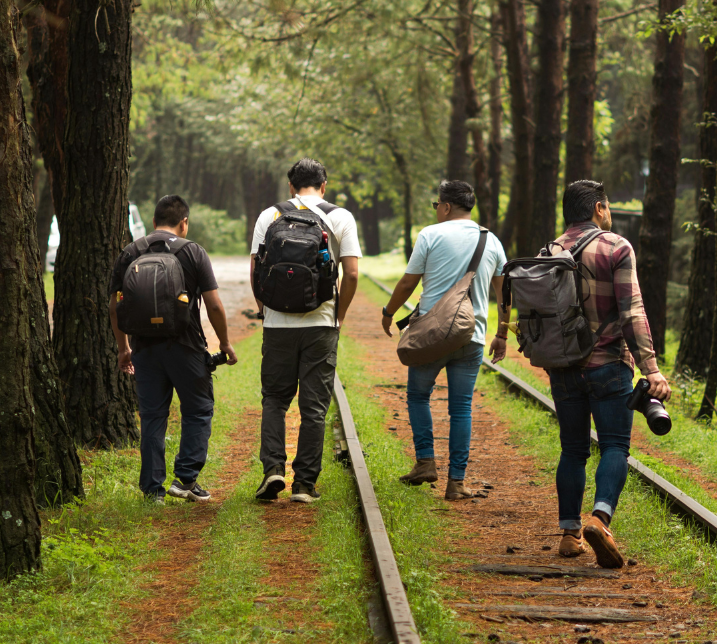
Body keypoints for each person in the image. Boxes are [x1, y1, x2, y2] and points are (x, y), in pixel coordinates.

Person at [547, 180, 671, 568]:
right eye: (609, 206)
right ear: (599, 208)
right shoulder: (616, 246)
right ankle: (599, 519)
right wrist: (651, 369)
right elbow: (631, 311)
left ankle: (569, 535)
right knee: (615, 446)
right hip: (608, 365)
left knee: (572, 448)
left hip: (564, 366)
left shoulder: (549, 251)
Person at [381, 180, 509, 500]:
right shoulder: (490, 240)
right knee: (461, 408)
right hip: (472, 335)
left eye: (436, 204)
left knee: (418, 396)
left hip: (431, 336)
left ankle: (426, 462)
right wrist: (502, 333)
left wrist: (389, 312)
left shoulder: (430, 234)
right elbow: (504, 293)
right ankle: (457, 482)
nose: (436, 209)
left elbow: (409, 281)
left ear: (447, 206)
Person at [109, 194, 238, 504]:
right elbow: (214, 305)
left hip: (144, 348)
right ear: (184, 223)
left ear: (153, 223)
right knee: (198, 409)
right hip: (187, 346)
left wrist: (123, 348)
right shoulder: (193, 251)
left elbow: (115, 306)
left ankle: (153, 491)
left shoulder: (130, 252)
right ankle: (185, 478)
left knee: (153, 416)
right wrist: (224, 343)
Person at [250, 158, 361, 503]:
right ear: (323, 185)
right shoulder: (340, 216)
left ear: (291, 186)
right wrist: (338, 316)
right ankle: (304, 485)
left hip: (277, 324)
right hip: (321, 323)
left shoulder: (270, 215)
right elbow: (353, 274)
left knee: (275, 399)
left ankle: (272, 470)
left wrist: (265, 309)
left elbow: (255, 269)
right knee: (314, 406)